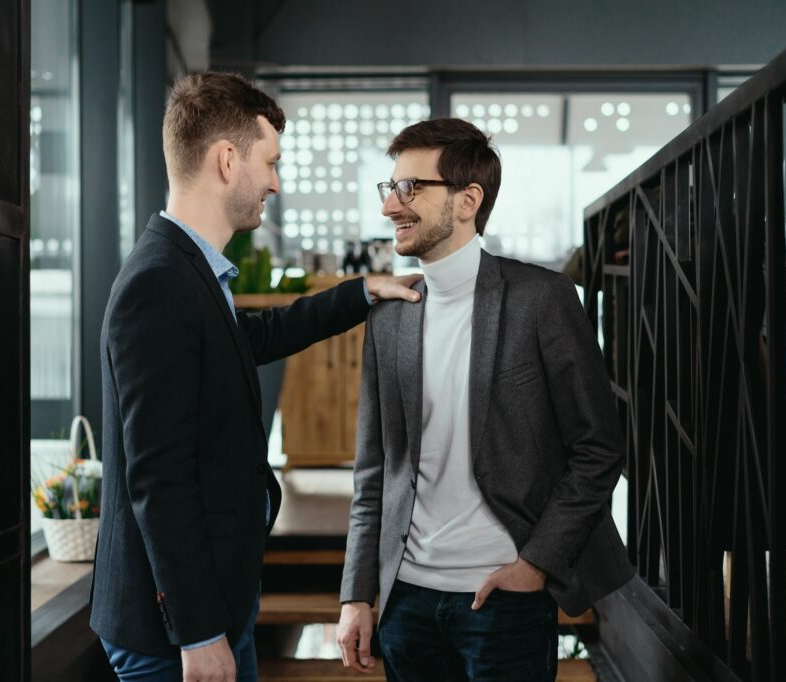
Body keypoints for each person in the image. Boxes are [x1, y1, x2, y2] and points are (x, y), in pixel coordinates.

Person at [88, 71, 421, 682]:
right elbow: (158, 480)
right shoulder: (158, 284)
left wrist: (358, 293)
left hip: (209, 608)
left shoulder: (185, 270)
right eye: (268, 161)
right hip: (176, 632)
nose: (274, 181)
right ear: (225, 160)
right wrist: (199, 633)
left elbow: (250, 339)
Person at [336, 118, 633, 681]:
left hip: (503, 598)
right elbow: (374, 470)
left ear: (467, 200)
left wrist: (537, 563)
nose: (390, 207)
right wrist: (357, 593)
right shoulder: (389, 316)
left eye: (410, 189)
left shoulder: (541, 300)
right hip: (407, 602)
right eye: (389, 188)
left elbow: (599, 448)